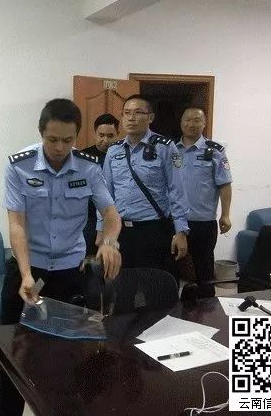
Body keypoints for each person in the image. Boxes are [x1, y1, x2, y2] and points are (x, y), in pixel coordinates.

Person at [0, 98, 123, 416]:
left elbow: (111, 214)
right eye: (52, 139)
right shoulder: (19, 165)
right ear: (40, 133)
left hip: (69, 276)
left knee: (70, 360)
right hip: (27, 271)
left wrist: (109, 242)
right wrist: (25, 274)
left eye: (67, 140)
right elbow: (16, 224)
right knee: (14, 361)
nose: (60, 147)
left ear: (76, 136)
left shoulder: (89, 167)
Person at [97, 94, 189, 280]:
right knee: (121, 285)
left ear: (150, 117)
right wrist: (101, 230)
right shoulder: (114, 150)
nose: (131, 118)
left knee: (156, 285)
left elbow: (177, 190)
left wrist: (181, 231)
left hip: (154, 230)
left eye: (138, 112)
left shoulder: (165, 147)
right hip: (121, 231)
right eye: (127, 113)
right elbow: (105, 195)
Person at [176, 107, 232, 287]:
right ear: (181, 122)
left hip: (202, 223)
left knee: (204, 271)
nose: (191, 124)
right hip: (174, 221)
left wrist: (225, 215)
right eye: (187, 119)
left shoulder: (215, 151)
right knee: (172, 268)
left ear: (204, 124)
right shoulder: (170, 150)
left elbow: (225, 184)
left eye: (196, 120)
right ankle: (174, 303)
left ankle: (206, 304)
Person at [82, 113, 119, 256]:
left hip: (115, 218)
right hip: (88, 219)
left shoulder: (122, 156)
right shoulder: (83, 158)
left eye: (110, 136)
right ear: (95, 134)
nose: (105, 140)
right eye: (101, 135)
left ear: (117, 135)